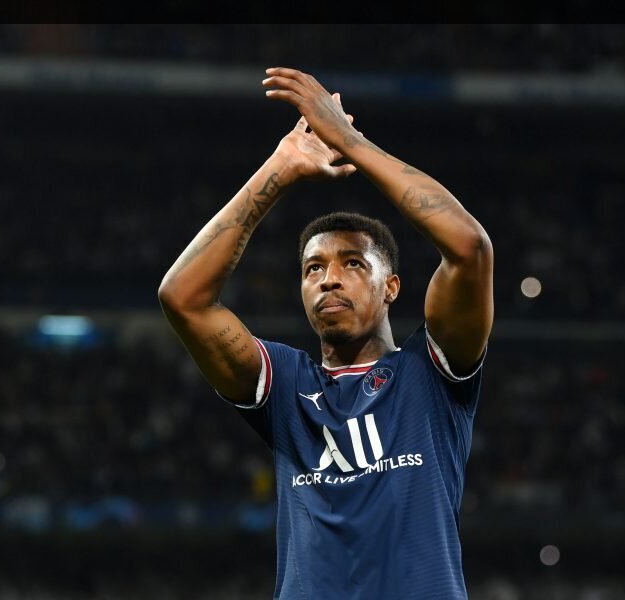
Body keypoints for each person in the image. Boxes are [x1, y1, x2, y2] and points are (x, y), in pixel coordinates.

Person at [158, 67, 493, 599]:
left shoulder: (431, 371)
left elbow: (469, 248)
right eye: (313, 268)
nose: (328, 278)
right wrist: (280, 167)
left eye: (352, 263)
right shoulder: (286, 386)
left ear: (391, 286)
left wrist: (349, 142)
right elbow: (183, 297)